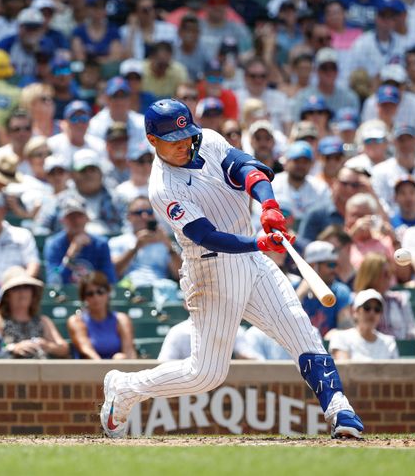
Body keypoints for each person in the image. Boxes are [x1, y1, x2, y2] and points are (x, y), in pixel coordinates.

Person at [100, 99, 363, 440]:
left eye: (186, 135)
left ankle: (340, 410)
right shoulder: (162, 188)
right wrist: (258, 243)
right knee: (205, 374)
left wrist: (268, 204)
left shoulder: (207, 140)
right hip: (211, 270)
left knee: (302, 331)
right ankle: (125, 387)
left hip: (251, 260)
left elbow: (246, 168)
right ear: (153, 140)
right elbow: (206, 236)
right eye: (173, 140)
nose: (184, 144)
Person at [0, 267, 70, 359]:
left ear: (33, 293)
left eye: (26, 287)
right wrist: (14, 348)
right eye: (16, 288)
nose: (22, 292)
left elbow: (64, 348)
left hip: (42, 371)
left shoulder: (43, 321)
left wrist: (47, 346)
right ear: (7, 296)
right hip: (9, 371)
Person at [110, 196, 181, 288]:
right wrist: (136, 247)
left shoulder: (165, 242)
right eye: (138, 213)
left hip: (160, 291)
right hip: (128, 290)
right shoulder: (117, 242)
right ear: (129, 217)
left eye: (149, 212)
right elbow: (113, 272)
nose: (144, 216)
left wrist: (168, 246)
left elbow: (180, 275)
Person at [67, 272, 136, 360]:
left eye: (100, 292)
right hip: (89, 370)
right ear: (84, 298)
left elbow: (129, 352)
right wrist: (106, 368)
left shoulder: (122, 319)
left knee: (120, 357)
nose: (96, 297)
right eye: (90, 294)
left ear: (108, 293)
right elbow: (87, 350)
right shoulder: (76, 321)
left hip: (119, 370)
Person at [353, 253, 415, 340]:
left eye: (390, 273)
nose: (390, 277)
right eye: (385, 274)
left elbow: (412, 331)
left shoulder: (399, 299)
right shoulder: (355, 300)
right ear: (372, 275)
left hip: (400, 350)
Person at [295, 241, 354, 339]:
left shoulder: (340, 291)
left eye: (336, 265)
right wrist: (299, 295)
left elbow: (346, 328)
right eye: (330, 265)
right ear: (313, 266)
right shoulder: (293, 287)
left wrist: (337, 334)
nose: (335, 270)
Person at [329, 289, 399, 361]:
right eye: (367, 307)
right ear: (355, 311)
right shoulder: (340, 338)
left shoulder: (389, 343)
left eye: (377, 309)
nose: (372, 313)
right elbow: (344, 369)